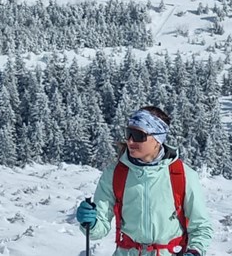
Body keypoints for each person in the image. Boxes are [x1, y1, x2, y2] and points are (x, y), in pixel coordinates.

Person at [76, 106, 213, 256]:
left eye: (138, 135)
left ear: (158, 139)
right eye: (128, 133)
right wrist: (91, 223)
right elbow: (99, 229)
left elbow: (201, 227)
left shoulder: (182, 174)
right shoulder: (115, 174)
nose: (130, 141)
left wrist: (194, 252)